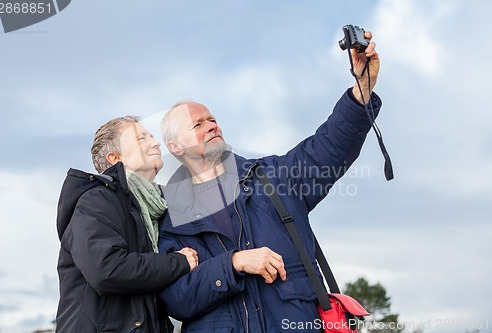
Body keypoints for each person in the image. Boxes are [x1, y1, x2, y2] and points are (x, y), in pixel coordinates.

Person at [158, 30, 381, 332]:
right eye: (197, 124)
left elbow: (328, 147)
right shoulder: (172, 215)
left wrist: (362, 89)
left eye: (212, 119)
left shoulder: (273, 177)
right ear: (176, 147)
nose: (211, 126)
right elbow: (176, 299)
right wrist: (234, 263)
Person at [55, 116, 199, 333]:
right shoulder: (96, 200)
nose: (155, 143)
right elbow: (106, 269)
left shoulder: (154, 207)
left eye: (151, 136)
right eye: (142, 138)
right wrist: (179, 262)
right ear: (115, 158)